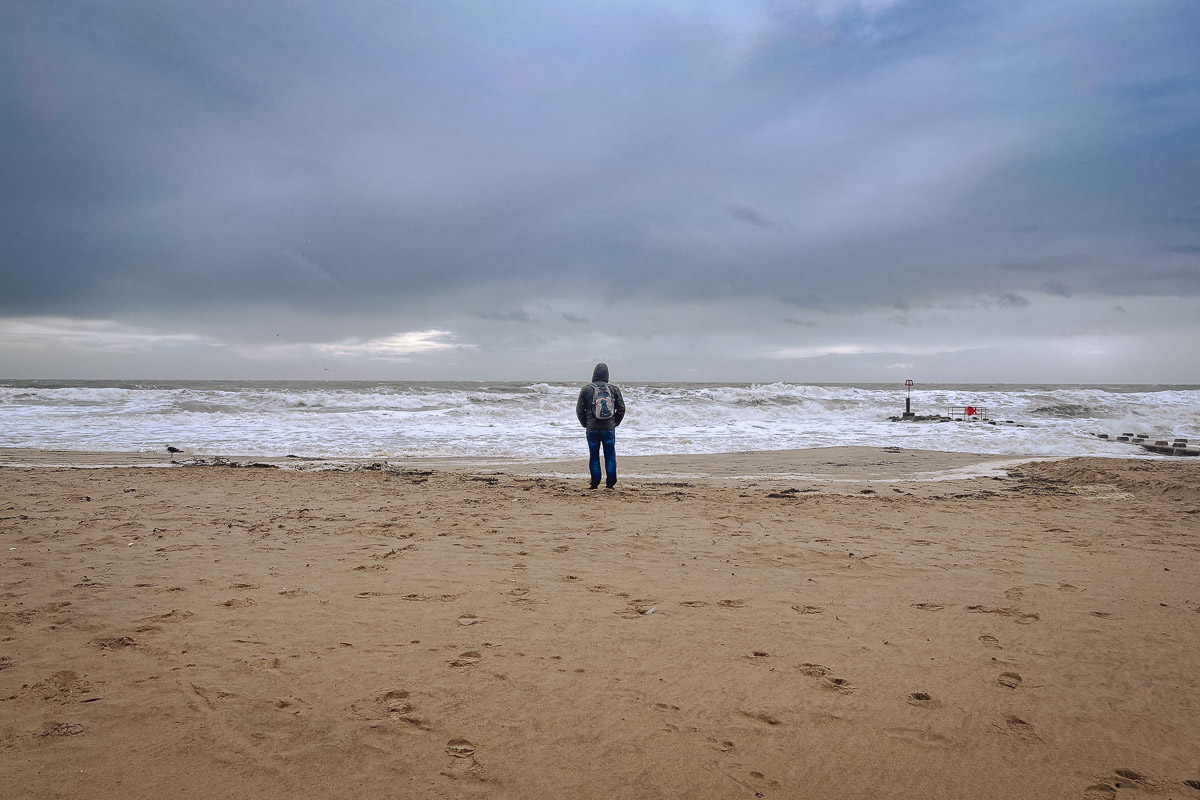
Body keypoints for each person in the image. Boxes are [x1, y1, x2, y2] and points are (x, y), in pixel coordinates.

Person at [576, 362, 626, 489]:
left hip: (592, 428)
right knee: (610, 455)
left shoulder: (586, 389)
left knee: (594, 456)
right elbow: (621, 408)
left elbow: (579, 410)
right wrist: (615, 423)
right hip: (609, 428)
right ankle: (610, 484)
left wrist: (585, 424)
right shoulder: (614, 389)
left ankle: (595, 483)